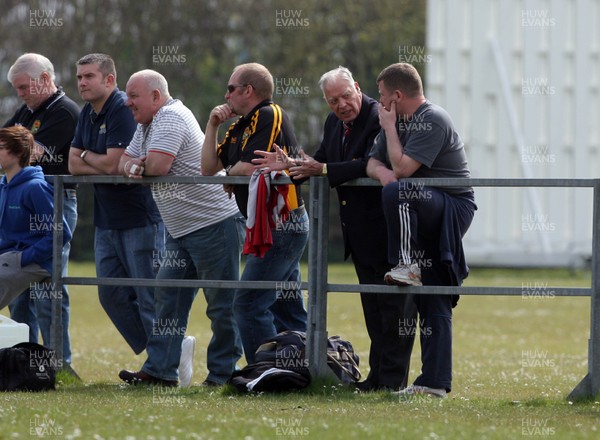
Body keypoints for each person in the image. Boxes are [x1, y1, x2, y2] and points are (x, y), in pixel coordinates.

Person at [254, 66, 418, 391]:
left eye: (345, 95)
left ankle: (393, 383)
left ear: (357, 87)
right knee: (373, 310)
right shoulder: (334, 123)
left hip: (389, 233)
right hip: (359, 235)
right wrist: (289, 166)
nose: (341, 104)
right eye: (333, 101)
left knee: (396, 312)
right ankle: (377, 379)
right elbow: (320, 162)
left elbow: (369, 164)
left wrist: (324, 167)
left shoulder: (379, 115)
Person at [117, 69, 243, 387]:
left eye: (133, 96)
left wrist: (140, 165)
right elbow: (122, 161)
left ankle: (223, 374)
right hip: (181, 229)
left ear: (156, 96)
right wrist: (136, 163)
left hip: (214, 223)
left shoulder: (170, 117)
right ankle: (160, 371)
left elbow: (158, 166)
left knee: (221, 304)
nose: (127, 102)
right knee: (168, 297)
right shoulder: (147, 124)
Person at [366, 63, 476, 398]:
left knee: (400, 191)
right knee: (434, 298)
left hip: (451, 208)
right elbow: (372, 162)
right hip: (421, 210)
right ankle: (435, 383)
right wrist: (385, 175)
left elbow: (402, 169)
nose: (380, 103)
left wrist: (392, 174)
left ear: (398, 96)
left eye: (383, 97)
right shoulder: (395, 123)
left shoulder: (433, 118)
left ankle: (406, 265)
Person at [67, 54, 179, 381]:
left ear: (109, 80)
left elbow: (117, 164)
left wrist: (90, 156)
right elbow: (73, 164)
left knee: (147, 296)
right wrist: (95, 158)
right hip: (106, 219)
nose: (83, 83)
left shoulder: (122, 108)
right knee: (111, 295)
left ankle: (161, 366)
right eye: (79, 77)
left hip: (139, 218)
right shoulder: (87, 113)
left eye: (89, 76)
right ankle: (167, 351)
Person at [201, 62, 308, 364]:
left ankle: (264, 373)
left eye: (231, 88)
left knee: (247, 303)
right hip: (265, 224)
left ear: (248, 90)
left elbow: (251, 166)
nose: (226, 95)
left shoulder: (268, 113)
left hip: (281, 224)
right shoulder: (238, 126)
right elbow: (208, 168)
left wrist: (233, 174)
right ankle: (305, 369)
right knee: (287, 309)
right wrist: (212, 125)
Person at [3, 53, 80, 372]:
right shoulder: (27, 110)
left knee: (49, 294)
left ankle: (58, 365)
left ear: (45, 79)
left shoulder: (64, 111)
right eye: (16, 89)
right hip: (21, 201)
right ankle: (24, 365)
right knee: (20, 298)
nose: (19, 94)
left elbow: (27, 152)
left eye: (23, 87)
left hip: (53, 201)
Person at [0, 126, 71, 310]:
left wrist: (24, 258)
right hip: (8, 256)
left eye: (0, 148)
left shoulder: (35, 187)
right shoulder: (3, 186)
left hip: (33, 261)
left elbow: (60, 233)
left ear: (19, 152)